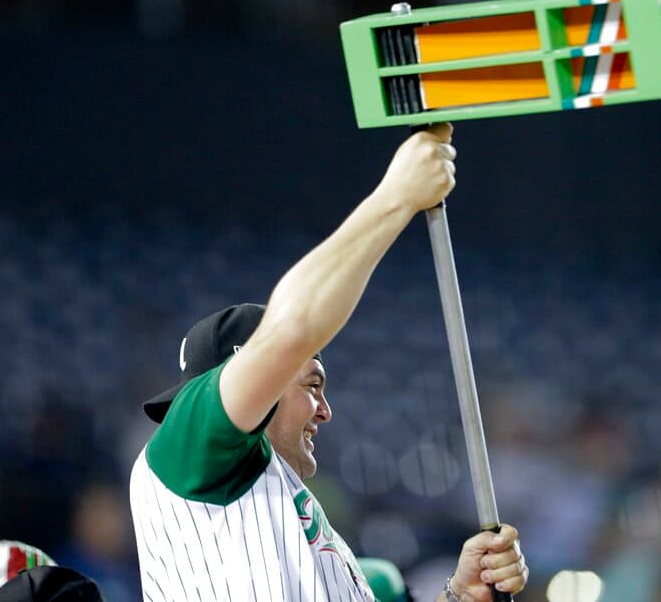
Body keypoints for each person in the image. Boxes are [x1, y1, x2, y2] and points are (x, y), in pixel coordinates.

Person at [129, 124, 528, 602]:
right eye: (312, 385)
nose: (325, 410)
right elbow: (293, 331)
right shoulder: (192, 449)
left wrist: (459, 596)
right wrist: (396, 197)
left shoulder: (301, 527)